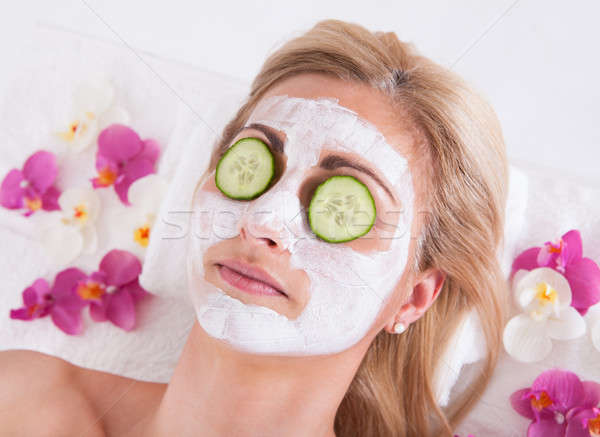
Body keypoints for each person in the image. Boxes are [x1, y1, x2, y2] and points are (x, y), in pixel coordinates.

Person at [0, 19, 509, 437]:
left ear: (413, 298)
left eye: (344, 207)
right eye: (254, 163)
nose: (264, 219)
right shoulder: (21, 400)